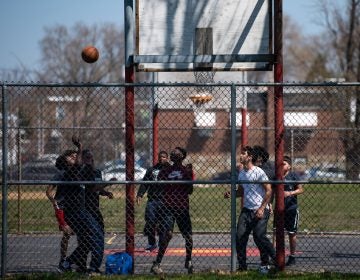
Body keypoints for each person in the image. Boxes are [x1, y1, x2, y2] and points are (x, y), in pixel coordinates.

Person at [57, 137, 105, 274]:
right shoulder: (70, 173)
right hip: (77, 213)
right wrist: (80, 146)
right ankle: (93, 268)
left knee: (87, 242)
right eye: (70, 158)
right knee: (97, 235)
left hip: (79, 212)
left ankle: (67, 263)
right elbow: (78, 162)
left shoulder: (76, 173)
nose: (74, 158)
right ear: (66, 163)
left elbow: (91, 185)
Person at [225, 146, 276, 272]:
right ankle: (242, 267)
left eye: (243, 154)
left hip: (260, 209)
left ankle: (275, 259)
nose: (240, 156)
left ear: (250, 157)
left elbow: (269, 191)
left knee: (259, 236)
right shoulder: (242, 173)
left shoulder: (258, 172)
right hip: (247, 210)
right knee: (240, 237)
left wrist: (262, 208)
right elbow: (242, 191)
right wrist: (232, 194)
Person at [150, 147, 194, 275]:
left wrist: (188, 176)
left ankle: (188, 260)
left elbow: (190, 190)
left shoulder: (186, 170)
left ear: (183, 156)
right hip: (169, 207)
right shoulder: (166, 170)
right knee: (167, 235)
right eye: (173, 152)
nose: (174, 153)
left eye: (177, 152)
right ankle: (157, 263)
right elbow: (160, 185)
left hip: (182, 207)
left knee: (188, 236)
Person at [80, 149, 114, 272]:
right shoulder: (83, 172)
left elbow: (98, 189)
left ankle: (93, 265)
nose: (91, 160)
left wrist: (105, 193)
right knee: (86, 237)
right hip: (86, 208)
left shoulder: (97, 172)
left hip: (95, 208)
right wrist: (108, 183)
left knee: (98, 234)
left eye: (92, 157)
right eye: (88, 157)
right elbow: (92, 188)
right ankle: (81, 265)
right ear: (82, 159)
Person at [136, 151, 171, 251]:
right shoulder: (152, 170)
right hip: (152, 200)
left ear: (167, 158)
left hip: (165, 200)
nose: (161, 159)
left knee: (163, 224)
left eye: (164, 157)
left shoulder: (170, 170)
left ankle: (161, 244)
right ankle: (152, 243)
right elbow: (145, 183)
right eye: (160, 157)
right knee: (150, 222)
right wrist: (140, 194)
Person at [46, 153, 75, 270]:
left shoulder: (79, 172)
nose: (74, 157)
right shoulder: (61, 174)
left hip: (74, 208)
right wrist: (55, 203)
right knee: (67, 234)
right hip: (62, 207)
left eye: (75, 155)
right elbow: (48, 191)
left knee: (81, 234)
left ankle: (79, 260)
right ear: (64, 160)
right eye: (70, 156)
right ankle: (63, 259)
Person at [283, 156, 304, 266]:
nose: (282, 166)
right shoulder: (277, 176)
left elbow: (301, 189)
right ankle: (277, 255)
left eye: (284, 163)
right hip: (280, 209)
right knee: (277, 232)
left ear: (289, 166)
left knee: (291, 233)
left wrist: (290, 193)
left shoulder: (293, 175)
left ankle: (292, 256)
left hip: (291, 208)